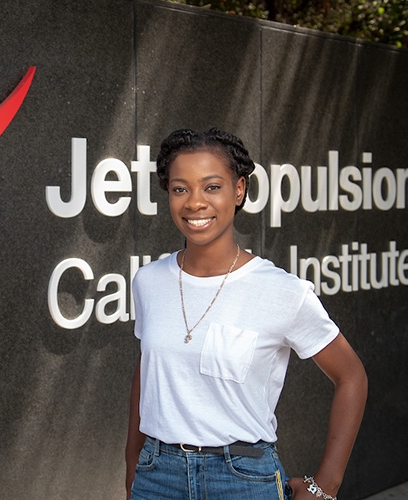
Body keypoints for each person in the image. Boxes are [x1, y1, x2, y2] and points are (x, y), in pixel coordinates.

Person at [125, 128, 367, 500]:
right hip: (157, 475)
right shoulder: (148, 281)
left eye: (212, 187)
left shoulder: (281, 290)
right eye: (180, 188)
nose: (194, 203)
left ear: (238, 190)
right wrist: (133, 467)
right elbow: (148, 374)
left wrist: (325, 487)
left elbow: (351, 376)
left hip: (242, 479)